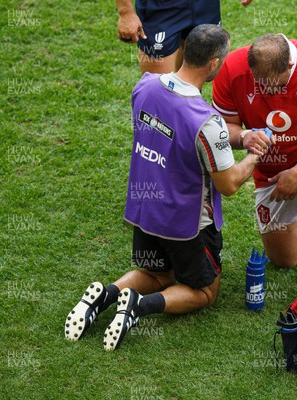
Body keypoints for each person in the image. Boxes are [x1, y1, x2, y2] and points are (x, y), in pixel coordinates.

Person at [65, 24, 264, 350]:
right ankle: (137, 307)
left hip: (145, 213)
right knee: (206, 292)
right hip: (185, 225)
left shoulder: (144, 87)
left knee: (158, 275)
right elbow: (228, 184)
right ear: (213, 64)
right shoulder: (207, 121)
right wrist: (254, 156)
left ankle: (105, 294)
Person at [212, 34, 297, 295]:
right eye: (261, 86)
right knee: (284, 258)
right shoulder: (231, 69)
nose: (268, 94)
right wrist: (244, 136)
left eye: (275, 87)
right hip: (272, 170)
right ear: (249, 66)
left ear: (290, 66)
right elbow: (222, 130)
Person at [115, 0, 253, 74]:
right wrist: (125, 12)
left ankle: (187, 126)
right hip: (160, 7)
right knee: (160, 89)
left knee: (196, 78)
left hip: (205, 5)